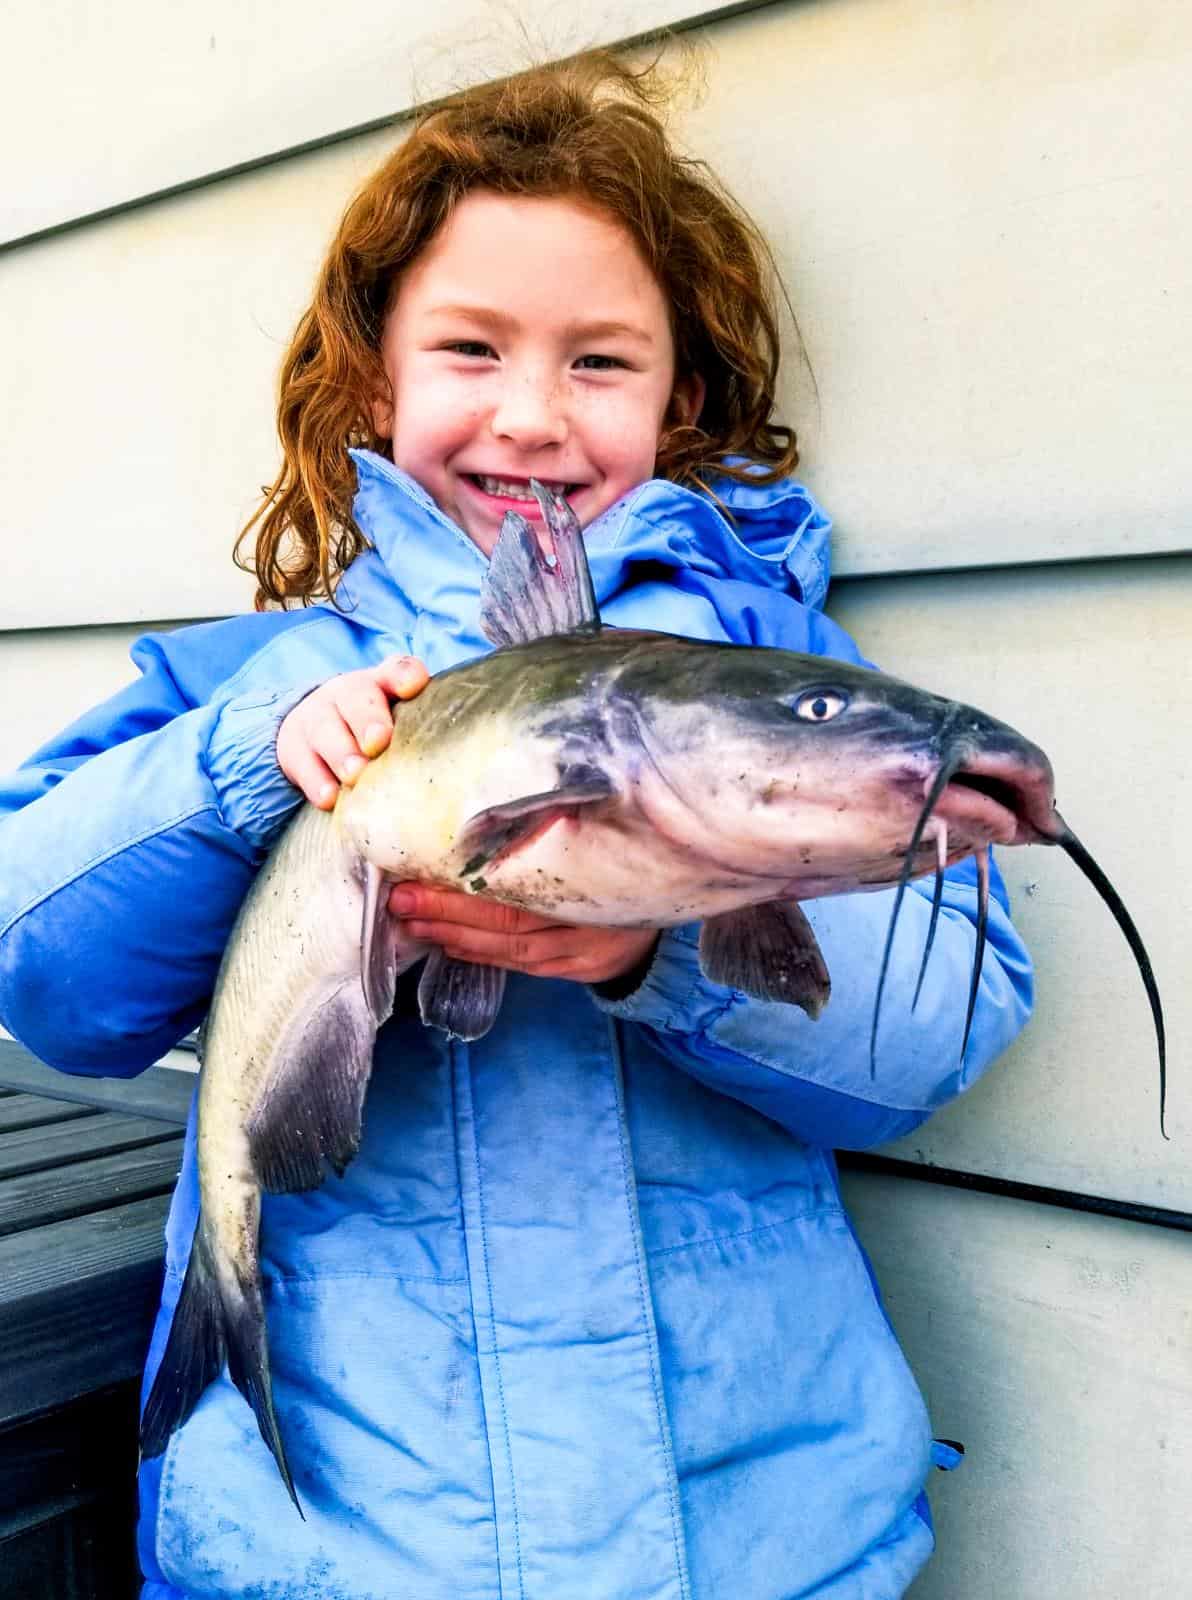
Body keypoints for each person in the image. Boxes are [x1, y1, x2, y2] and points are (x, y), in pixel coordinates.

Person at [0, 52, 1032, 1600]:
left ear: (681, 396)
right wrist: (240, 768)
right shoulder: (253, 682)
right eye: (471, 349)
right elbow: (44, 977)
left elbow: (931, 1038)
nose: (532, 417)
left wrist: (653, 954)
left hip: (761, 1549)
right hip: (342, 1548)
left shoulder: (789, 687)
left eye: (600, 362)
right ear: (377, 379)